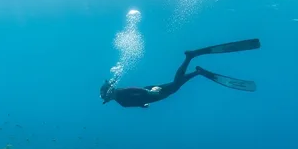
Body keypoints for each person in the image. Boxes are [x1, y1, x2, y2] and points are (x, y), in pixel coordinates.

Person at [100, 39, 261, 108]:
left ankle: (189, 58)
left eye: (106, 96)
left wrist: (149, 92)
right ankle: (197, 72)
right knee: (176, 85)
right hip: (151, 93)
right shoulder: (121, 101)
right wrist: (144, 104)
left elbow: (136, 90)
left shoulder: (121, 94)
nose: (107, 99)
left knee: (175, 84)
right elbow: (136, 102)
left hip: (153, 92)